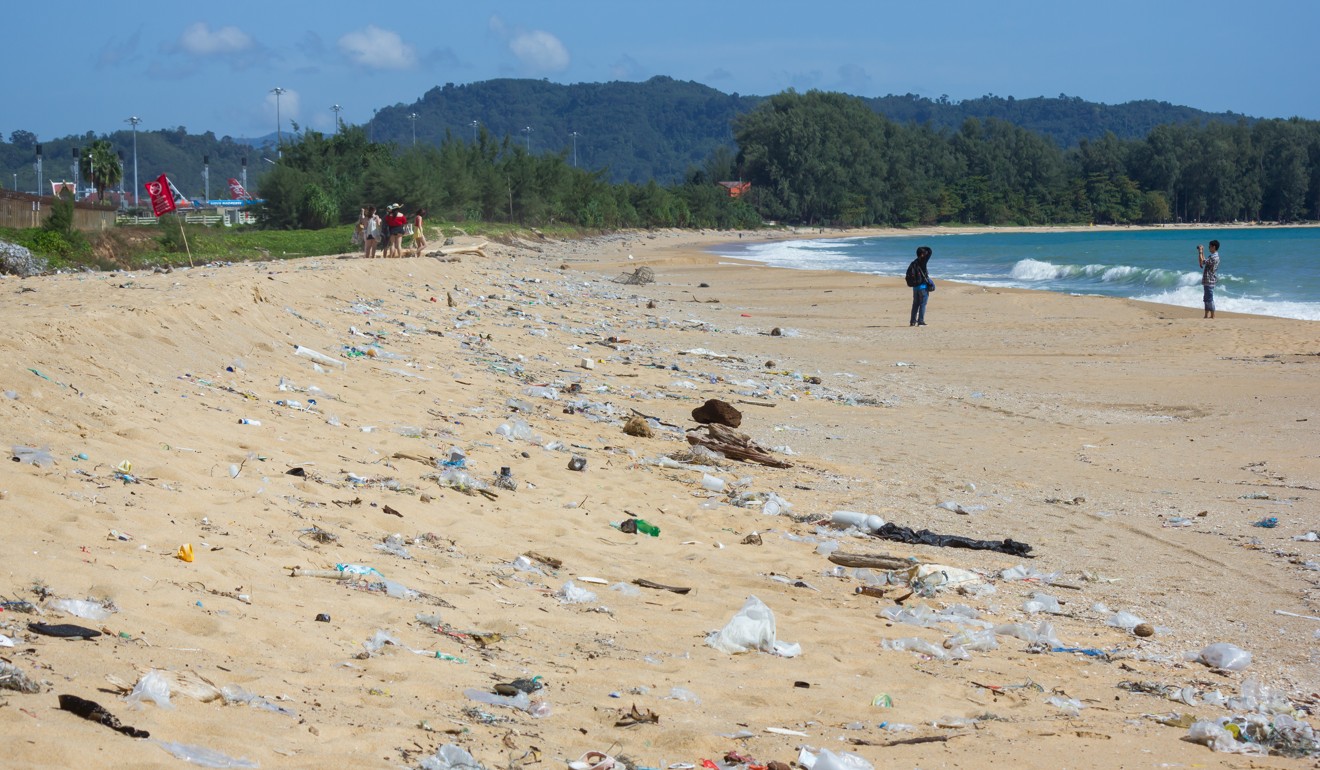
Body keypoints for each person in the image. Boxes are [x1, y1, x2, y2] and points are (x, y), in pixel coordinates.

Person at [905, 245, 935, 326]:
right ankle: (921, 321)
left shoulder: (913, 263)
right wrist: (925, 248)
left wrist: (921, 249)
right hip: (923, 287)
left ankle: (912, 321)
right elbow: (930, 251)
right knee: (922, 304)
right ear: (922, 254)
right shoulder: (923, 261)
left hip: (915, 288)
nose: (926, 254)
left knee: (915, 305)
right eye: (924, 253)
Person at [1198, 239, 1220, 319]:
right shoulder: (1213, 256)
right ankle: (1206, 315)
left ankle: (1212, 315)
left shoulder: (1214, 257)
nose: (1209, 248)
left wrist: (1200, 251)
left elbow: (1203, 262)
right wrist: (1201, 252)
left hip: (1210, 280)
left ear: (1214, 247)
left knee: (1209, 298)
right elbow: (1204, 261)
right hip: (1208, 280)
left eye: (1210, 246)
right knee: (1206, 298)